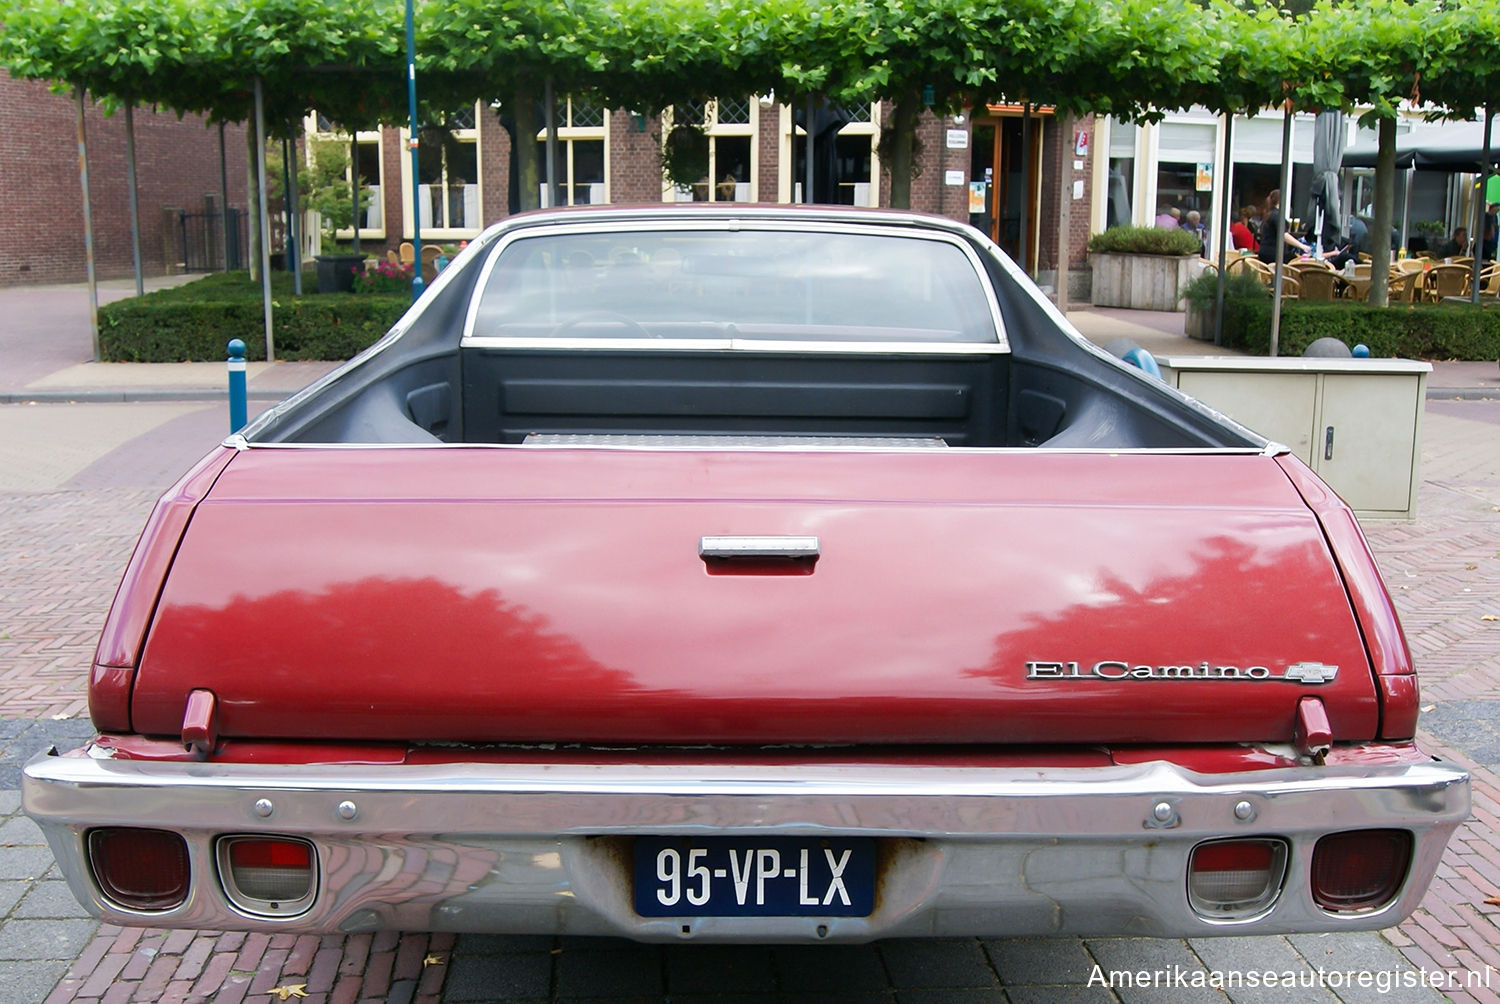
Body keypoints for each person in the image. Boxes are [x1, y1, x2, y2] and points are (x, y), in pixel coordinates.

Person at [1256, 189, 1310, 264]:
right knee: (1297, 261)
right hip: (1275, 255)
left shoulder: (1269, 214)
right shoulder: (1277, 215)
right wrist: (1302, 246)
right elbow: (1284, 235)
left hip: (1263, 253)